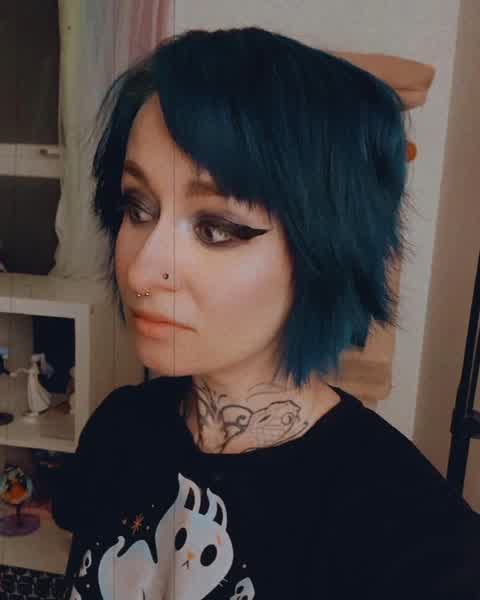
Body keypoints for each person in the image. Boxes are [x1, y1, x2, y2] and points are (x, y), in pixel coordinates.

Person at [51, 26, 480, 599]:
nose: (140, 270)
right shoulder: (119, 431)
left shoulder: (412, 541)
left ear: (326, 252)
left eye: (216, 228)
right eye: (138, 208)